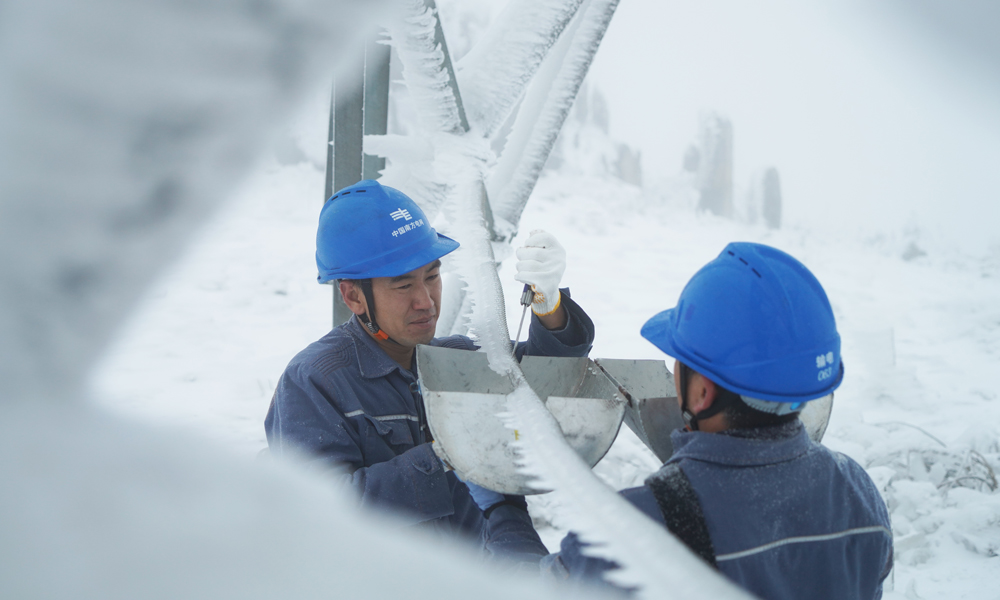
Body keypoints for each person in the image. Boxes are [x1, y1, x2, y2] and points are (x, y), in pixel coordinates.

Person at [265, 179, 595, 564]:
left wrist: (548, 306)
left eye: (432, 277)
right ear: (353, 296)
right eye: (403, 285)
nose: (425, 301)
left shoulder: (458, 361)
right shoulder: (316, 381)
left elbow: (545, 379)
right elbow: (319, 511)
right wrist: (446, 456)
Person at [543, 242, 893, 599]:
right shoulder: (856, 495)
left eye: (680, 360)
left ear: (701, 393)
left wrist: (509, 509)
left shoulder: (631, 534)